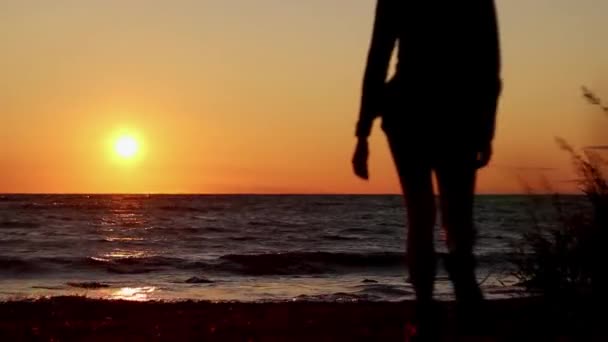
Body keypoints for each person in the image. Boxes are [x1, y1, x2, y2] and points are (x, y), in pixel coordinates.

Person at [352, 0, 502, 336]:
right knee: (455, 216)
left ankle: (430, 311)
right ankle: (462, 304)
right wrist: (485, 127)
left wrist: (363, 131)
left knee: (421, 214)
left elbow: (377, 57)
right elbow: (489, 63)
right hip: (456, 114)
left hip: (411, 111)